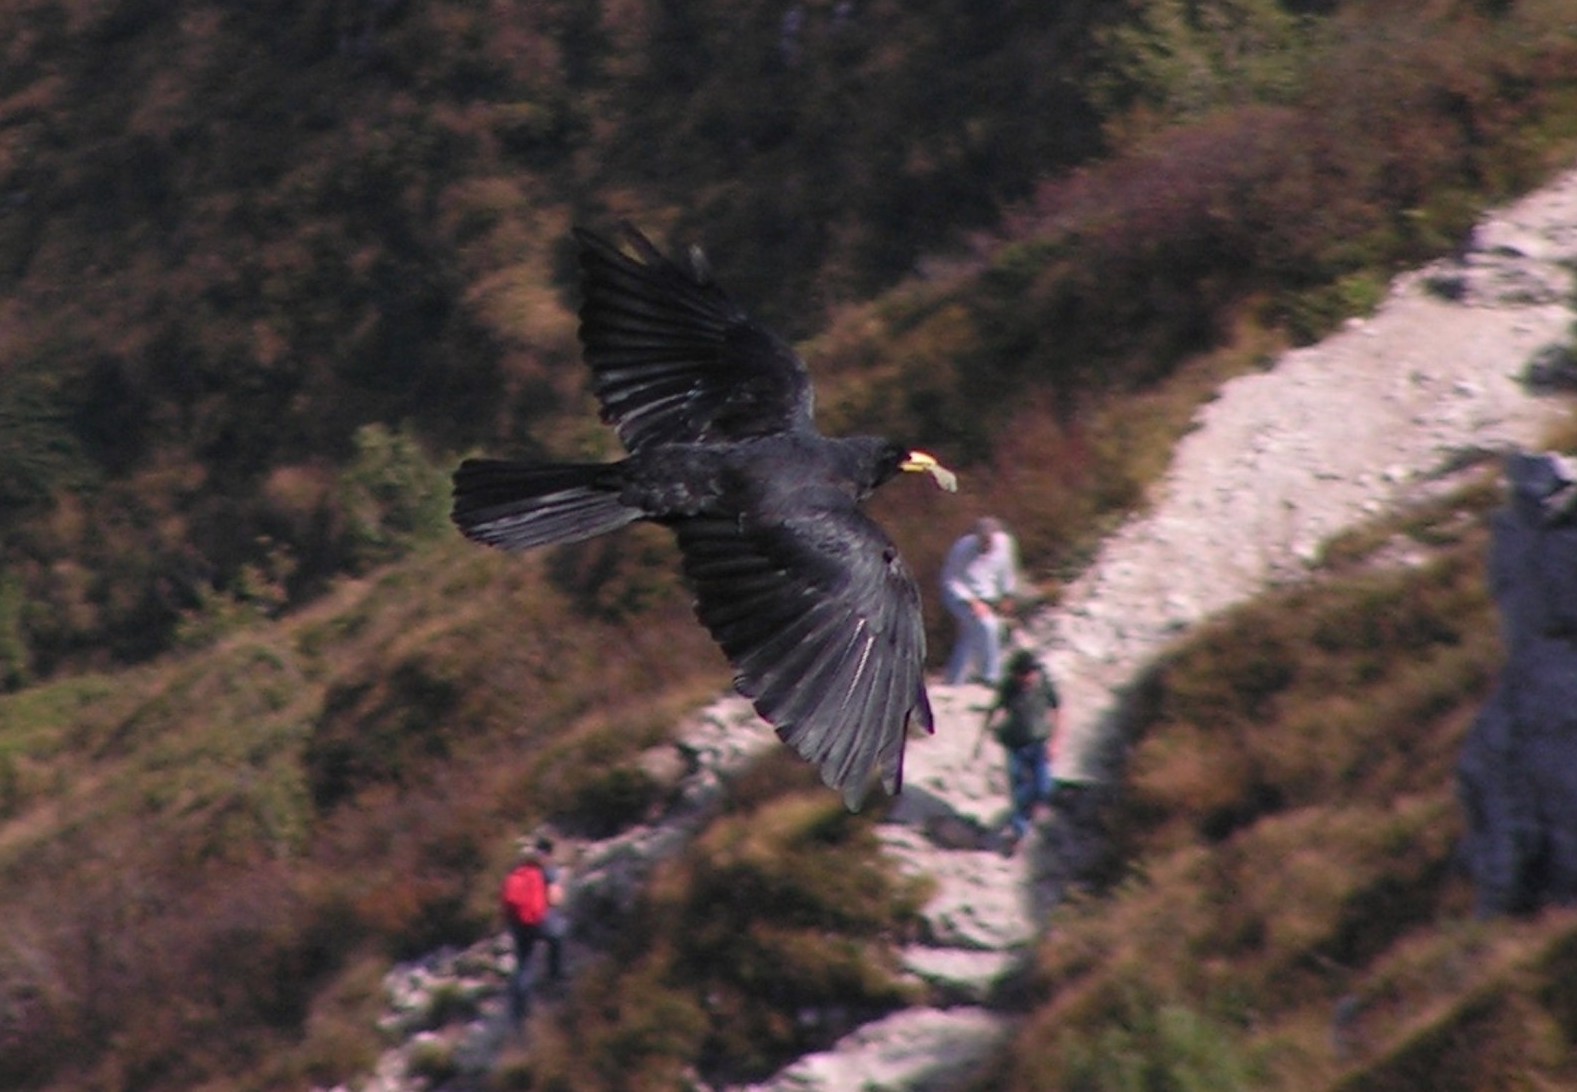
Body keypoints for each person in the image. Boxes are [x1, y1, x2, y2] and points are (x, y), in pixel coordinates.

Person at [975, 649, 1062, 852]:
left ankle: (1028, 814)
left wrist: (1056, 742)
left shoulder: (1045, 685)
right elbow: (995, 709)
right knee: (1020, 788)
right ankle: (1019, 831)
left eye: (1029, 674)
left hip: (1039, 743)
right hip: (1015, 745)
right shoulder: (1009, 687)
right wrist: (985, 733)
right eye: (1023, 674)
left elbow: (1057, 710)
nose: (1027, 678)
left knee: (1043, 787)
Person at [940, 516, 1022, 686]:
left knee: (970, 636)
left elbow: (1008, 570)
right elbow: (951, 580)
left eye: (989, 541)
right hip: (960, 597)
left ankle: (954, 679)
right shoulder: (962, 549)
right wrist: (972, 601)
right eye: (983, 541)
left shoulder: (1005, 544)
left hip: (988, 597)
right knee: (987, 626)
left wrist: (1008, 594)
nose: (986, 545)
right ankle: (991, 676)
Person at [500, 837, 566, 1026]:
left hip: (518, 925)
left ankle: (519, 1016)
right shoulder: (547, 868)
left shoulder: (517, 869)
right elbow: (555, 899)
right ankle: (555, 976)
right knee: (559, 936)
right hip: (539, 921)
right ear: (549, 852)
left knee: (524, 966)